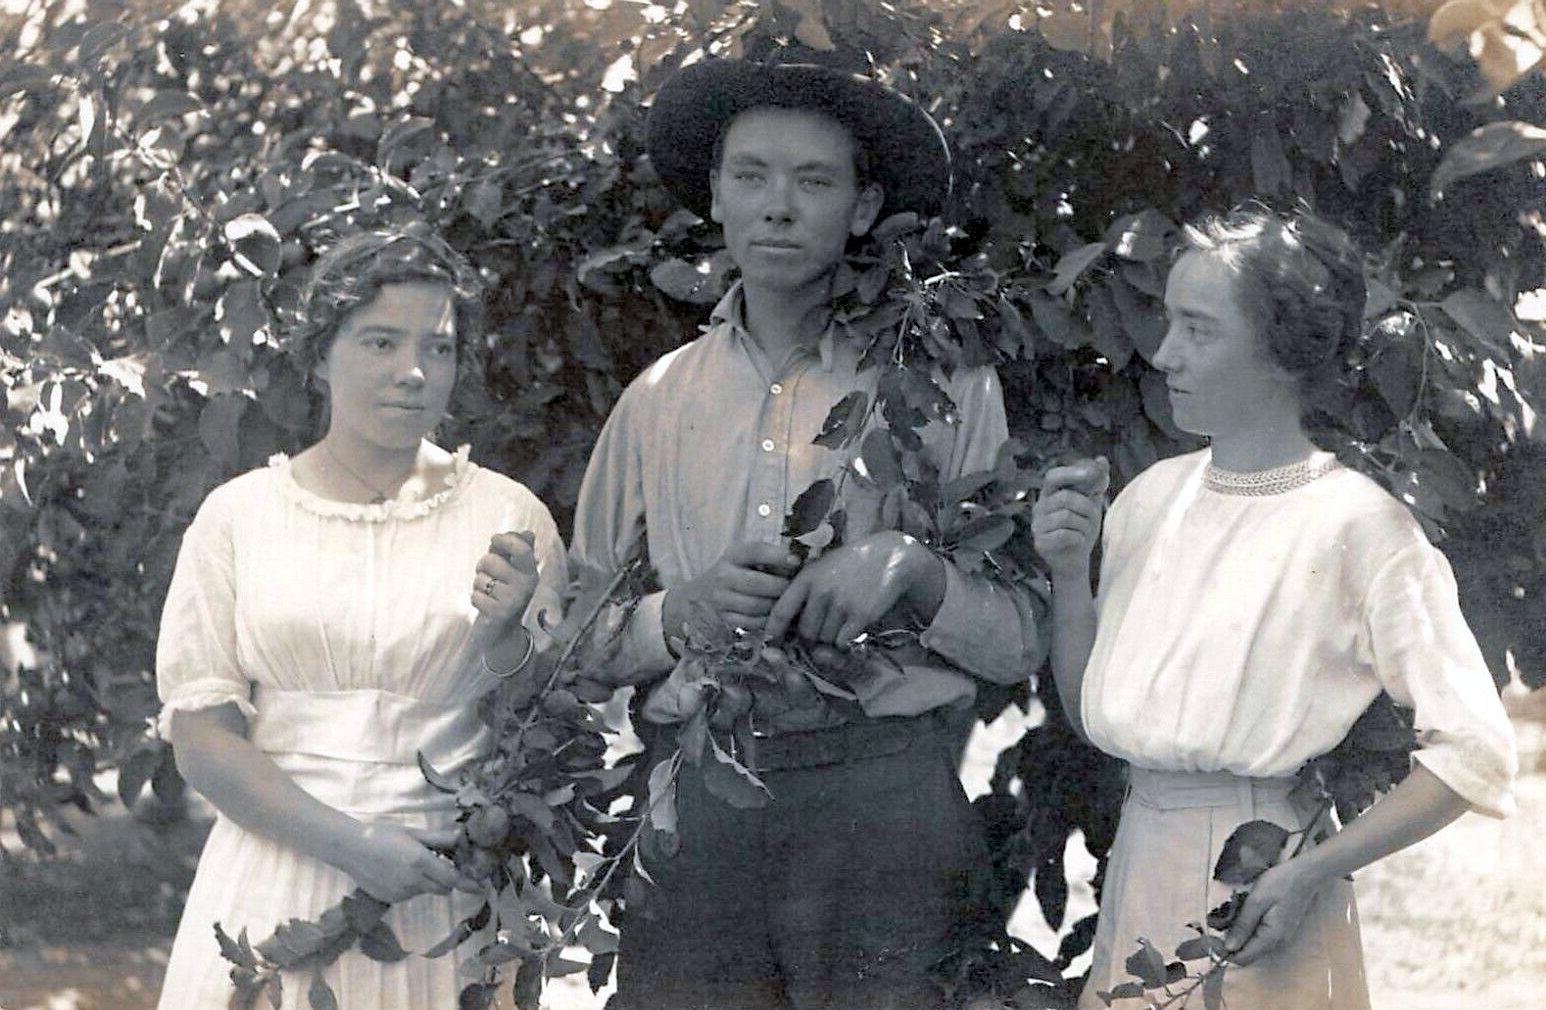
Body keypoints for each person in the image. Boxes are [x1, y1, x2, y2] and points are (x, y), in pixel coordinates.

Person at [572, 56, 1047, 1009]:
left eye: (814, 180)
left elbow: (1022, 637)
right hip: (697, 812)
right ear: (715, 196)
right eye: (750, 176)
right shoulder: (657, 403)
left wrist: (911, 569)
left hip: (884, 809)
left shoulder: (945, 388)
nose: (777, 207)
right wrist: (679, 615)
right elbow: (570, 645)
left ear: (865, 208)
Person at [1031, 207, 1517, 1008]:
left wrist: (1309, 875)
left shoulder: (1361, 528)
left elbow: (1474, 752)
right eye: (1167, 323)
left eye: (1198, 330)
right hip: (1140, 862)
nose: (1163, 354)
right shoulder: (1150, 501)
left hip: (1265, 882)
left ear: (1283, 351)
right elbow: (1098, 716)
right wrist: (1065, 575)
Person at [154, 226, 566, 1007]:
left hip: (446, 885)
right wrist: (351, 845)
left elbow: (539, 729)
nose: (412, 373)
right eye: (380, 343)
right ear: (319, 355)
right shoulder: (237, 517)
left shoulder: (510, 515)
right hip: (276, 877)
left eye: (437, 350)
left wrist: (509, 635)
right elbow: (202, 739)